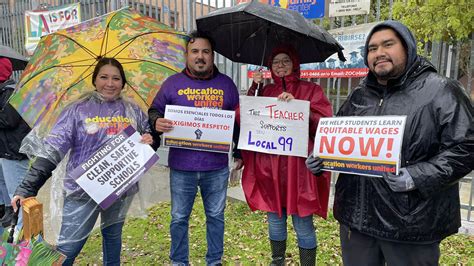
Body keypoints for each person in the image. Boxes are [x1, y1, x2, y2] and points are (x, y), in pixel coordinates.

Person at [306, 20, 473, 265]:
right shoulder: (358, 96)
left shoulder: (441, 90)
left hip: (411, 226)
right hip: (358, 221)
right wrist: (323, 157)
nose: (379, 53)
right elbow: (337, 141)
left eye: (388, 44)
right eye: (372, 48)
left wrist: (418, 176)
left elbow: (467, 147)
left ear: (407, 47)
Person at [12, 57, 153, 265]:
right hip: (81, 192)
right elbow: (52, 150)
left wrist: (149, 138)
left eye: (116, 78)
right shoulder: (76, 110)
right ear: (94, 80)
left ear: (123, 83)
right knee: (69, 247)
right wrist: (27, 187)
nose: (110, 83)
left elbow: (147, 136)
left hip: (119, 190)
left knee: (112, 237)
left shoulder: (132, 111)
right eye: (104, 77)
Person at [148, 30, 240, 265]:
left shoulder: (227, 85)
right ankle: (179, 262)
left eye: (205, 52)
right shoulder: (172, 83)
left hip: (216, 167)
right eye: (195, 51)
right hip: (181, 167)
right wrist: (156, 121)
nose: (200, 56)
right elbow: (154, 110)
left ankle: (214, 261)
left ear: (212, 55)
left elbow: (238, 122)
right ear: (187, 55)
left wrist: (239, 152)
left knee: (216, 217)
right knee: (179, 218)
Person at [241, 45, 332, 265]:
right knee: (275, 219)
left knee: (303, 222)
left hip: (299, 169)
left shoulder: (312, 90)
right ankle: (277, 260)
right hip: (270, 169)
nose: (280, 65)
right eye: (275, 62)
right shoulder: (265, 90)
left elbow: (324, 124)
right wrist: (255, 87)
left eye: (285, 61)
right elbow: (243, 116)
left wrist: (302, 108)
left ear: (294, 63)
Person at [0, 57, 30, 232]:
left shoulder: (12, 92)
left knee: (19, 199)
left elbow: (9, 120)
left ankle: (30, 248)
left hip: (14, 155)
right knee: (7, 204)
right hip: (5, 153)